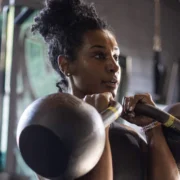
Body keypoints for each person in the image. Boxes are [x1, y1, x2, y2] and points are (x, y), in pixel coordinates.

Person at [32, 0, 180, 179]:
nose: (115, 67)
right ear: (66, 65)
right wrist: (99, 120)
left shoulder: (130, 137)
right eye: (99, 55)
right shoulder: (53, 134)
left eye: (116, 56)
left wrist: (152, 127)